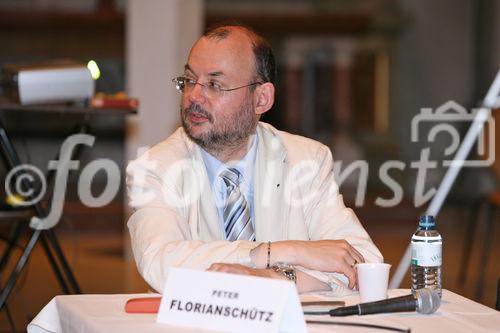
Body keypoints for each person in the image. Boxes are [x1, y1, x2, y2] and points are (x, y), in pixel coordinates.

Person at [127, 24, 382, 295]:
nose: (194, 96)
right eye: (190, 80)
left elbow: (364, 264)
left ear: (261, 99)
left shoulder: (306, 160)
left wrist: (270, 279)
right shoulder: (155, 168)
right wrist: (282, 252)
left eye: (215, 84)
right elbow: (161, 264)